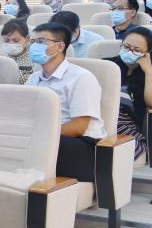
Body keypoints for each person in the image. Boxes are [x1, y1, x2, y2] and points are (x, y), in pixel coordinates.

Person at [26, 22, 106, 181]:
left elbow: (78, 127)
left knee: (39, 146)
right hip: (44, 138)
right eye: (33, 42)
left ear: (60, 46)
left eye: (41, 41)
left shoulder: (81, 77)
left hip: (79, 143)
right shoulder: (33, 79)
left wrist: (39, 134)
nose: (34, 46)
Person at [106, 28, 152, 162]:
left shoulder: (149, 72)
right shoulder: (108, 65)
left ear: (147, 53)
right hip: (105, 118)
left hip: (129, 126)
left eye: (136, 50)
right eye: (126, 47)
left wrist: (149, 71)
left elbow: (150, 103)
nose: (130, 52)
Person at [1, 19, 33, 84]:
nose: (11, 44)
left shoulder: (34, 58)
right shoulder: (1, 58)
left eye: (16, 41)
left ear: (27, 39)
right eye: (6, 41)